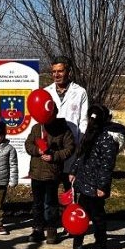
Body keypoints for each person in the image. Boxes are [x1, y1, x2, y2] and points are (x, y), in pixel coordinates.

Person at [69, 104, 125, 249]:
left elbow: (107, 166)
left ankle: (101, 244)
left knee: (97, 216)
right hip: (84, 181)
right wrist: (73, 171)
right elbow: (80, 154)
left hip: (96, 186)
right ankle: (78, 242)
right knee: (81, 213)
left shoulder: (108, 139)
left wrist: (102, 186)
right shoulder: (90, 133)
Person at [24, 104, 75, 245]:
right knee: (37, 204)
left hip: (52, 174)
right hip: (36, 173)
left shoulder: (63, 129)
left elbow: (70, 148)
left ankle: (52, 230)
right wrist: (36, 150)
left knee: (50, 204)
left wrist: (54, 156)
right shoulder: (36, 128)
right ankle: (37, 229)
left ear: (55, 114)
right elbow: (28, 144)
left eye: (50, 115)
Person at [44, 56, 88, 188]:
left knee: (70, 186)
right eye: (54, 72)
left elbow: (83, 120)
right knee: (51, 187)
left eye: (60, 71)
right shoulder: (47, 92)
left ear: (68, 72)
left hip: (72, 144)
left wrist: (81, 143)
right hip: (52, 145)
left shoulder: (79, 92)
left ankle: (69, 208)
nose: (56, 75)